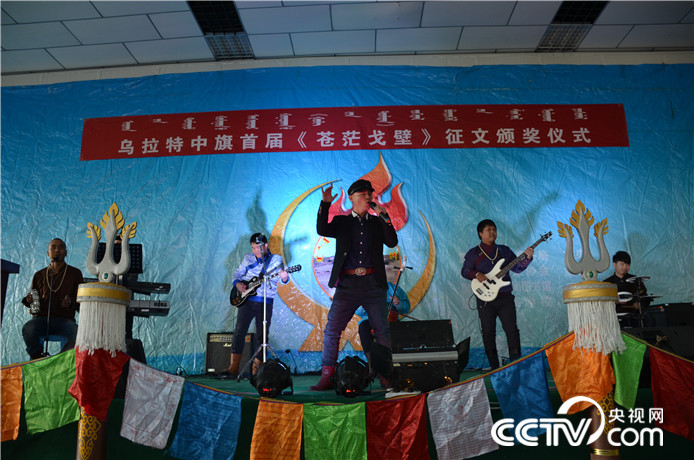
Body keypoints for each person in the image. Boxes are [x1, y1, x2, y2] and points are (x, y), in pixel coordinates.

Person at [311, 179, 398, 390]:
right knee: (332, 329)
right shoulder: (342, 221)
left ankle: (385, 374)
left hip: (373, 284)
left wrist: (385, 217)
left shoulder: (376, 222)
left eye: (370, 194)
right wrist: (325, 204)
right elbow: (322, 229)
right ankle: (327, 374)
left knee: (382, 330)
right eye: (362, 194)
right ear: (351, 198)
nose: (367, 198)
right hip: (347, 284)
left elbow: (392, 241)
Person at [461, 220, 533, 370]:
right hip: (485, 299)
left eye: (494, 229)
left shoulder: (504, 250)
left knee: (512, 331)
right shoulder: (474, 253)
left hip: (505, 297)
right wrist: (477, 274)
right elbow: (465, 271)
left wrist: (527, 258)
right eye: (488, 229)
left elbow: (517, 268)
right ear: (480, 233)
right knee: (488, 333)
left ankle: (516, 364)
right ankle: (494, 367)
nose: (492, 232)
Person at [225, 233, 289, 377]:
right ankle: (233, 368)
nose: (255, 251)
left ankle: (257, 370)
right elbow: (236, 274)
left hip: (265, 301)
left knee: (262, 336)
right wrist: (238, 284)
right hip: (246, 301)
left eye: (258, 247)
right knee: (239, 332)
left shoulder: (276, 260)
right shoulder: (248, 258)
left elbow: (283, 279)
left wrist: (285, 277)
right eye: (253, 248)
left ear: (265, 246)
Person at [21, 238, 84, 360]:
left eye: (61, 247)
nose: (57, 250)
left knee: (77, 332)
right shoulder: (39, 275)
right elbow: (34, 300)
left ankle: (60, 361)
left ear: (66, 253)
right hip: (42, 319)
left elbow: (80, 301)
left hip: (65, 320)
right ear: (48, 253)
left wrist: (70, 302)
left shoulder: (75, 273)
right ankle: (38, 358)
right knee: (28, 329)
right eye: (53, 247)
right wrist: (29, 301)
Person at [355, 257, 410, 383]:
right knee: (363, 328)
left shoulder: (394, 289)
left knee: (397, 331)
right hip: (370, 320)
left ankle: (391, 368)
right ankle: (372, 365)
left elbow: (406, 308)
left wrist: (398, 303)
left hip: (389, 321)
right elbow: (358, 312)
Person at [603, 250, 650, 328]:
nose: (625, 267)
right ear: (614, 265)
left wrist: (639, 304)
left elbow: (645, 298)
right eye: (622, 264)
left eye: (627, 264)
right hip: (614, 316)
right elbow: (602, 303)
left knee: (649, 318)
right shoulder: (607, 283)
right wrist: (615, 302)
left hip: (634, 315)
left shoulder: (636, 280)